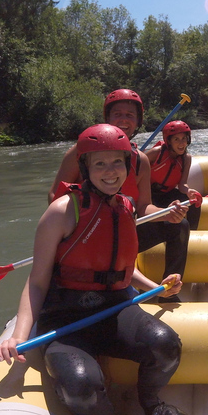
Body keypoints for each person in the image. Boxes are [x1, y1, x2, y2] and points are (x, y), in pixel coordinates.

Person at [0, 124, 190, 415]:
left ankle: (150, 403)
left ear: (128, 166)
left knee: (167, 346)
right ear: (85, 168)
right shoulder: (62, 211)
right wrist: (19, 337)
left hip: (115, 309)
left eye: (117, 162)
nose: (110, 171)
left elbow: (125, 269)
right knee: (81, 389)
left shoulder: (126, 207)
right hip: (66, 319)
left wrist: (157, 289)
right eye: (100, 163)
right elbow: (36, 281)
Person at [48, 89, 190, 303]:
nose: (124, 120)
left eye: (130, 115)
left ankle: (169, 289)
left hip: (125, 232)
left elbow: (144, 207)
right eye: (118, 114)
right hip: (85, 235)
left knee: (179, 225)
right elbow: (54, 196)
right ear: (108, 118)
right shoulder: (81, 151)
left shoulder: (141, 160)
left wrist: (167, 213)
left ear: (138, 122)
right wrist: (81, 224)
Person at [145, 120, 203, 230]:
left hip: (168, 194)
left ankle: (193, 232)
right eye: (176, 139)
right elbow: (136, 171)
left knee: (194, 203)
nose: (181, 143)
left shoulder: (186, 158)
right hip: (150, 194)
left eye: (184, 139)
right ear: (169, 141)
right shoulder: (156, 153)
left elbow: (182, 184)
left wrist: (188, 191)